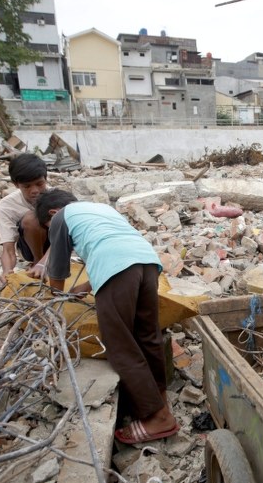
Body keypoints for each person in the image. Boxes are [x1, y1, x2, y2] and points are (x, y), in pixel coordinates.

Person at [35, 189, 178, 445]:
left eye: (47, 226)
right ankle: (159, 399)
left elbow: (57, 270)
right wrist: (86, 286)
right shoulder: (101, 209)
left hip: (117, 267)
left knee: (120, 344)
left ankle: (159, 417)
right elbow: (115, 245)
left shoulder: (60, 218)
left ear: (53, 213)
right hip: (147, 262)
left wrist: (55, 299)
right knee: (147, 335)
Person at [0, 153, 51, 287]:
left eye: (39, 184)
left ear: (45, 178)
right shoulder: (8, 205)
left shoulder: (57, 198)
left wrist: (44, 263)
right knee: (32, 218)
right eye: (27, 186)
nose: (35, 190)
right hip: (30, 249)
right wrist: (7, 271)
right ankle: (37, 261)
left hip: (58, 245)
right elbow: (8, 249)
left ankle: (42, 263)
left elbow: (64, 236)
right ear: (16, 185)